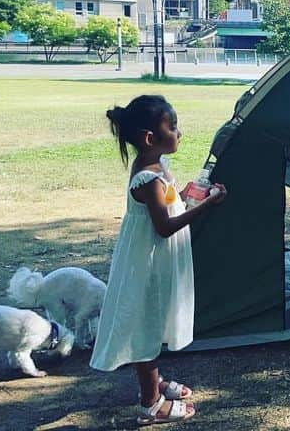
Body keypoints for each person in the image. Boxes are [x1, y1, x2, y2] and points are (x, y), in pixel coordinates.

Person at [92, 94, 226, 425]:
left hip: (157, 260)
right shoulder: (148, 179)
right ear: (150, 138)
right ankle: (150, 402)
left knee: (153, 320)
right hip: (148, 262)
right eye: (173, 127)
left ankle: (156, 381)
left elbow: (170, 203)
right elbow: (164, 226)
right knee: (146, 326)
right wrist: (206, 207)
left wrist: (189, 197)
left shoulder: (158, 168)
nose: (179, 133)